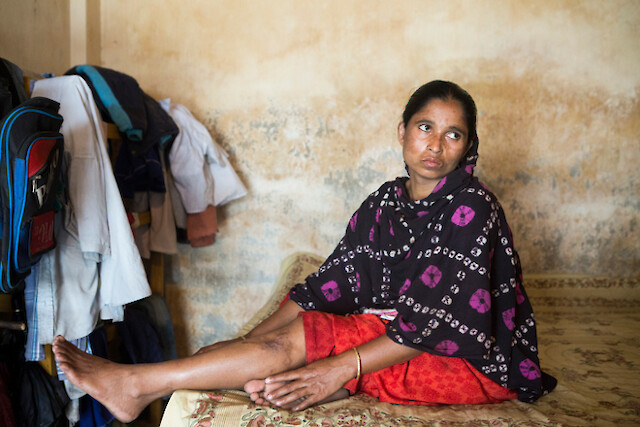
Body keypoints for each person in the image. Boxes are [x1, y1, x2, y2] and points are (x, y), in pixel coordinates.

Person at [52, 80, 556, 423]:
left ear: (468, 147)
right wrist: (246, 341)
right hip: (399, 338)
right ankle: (262, 368)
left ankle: (136, 386)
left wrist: (337, 366)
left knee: (293, 348)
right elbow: (327, 285)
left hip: (468, 364)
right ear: (402, 132)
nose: (435, 145)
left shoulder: (474, 206)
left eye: (453, 134)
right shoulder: (385, 202)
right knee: (263, 348)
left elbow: (439, 326)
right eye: (425, 127)